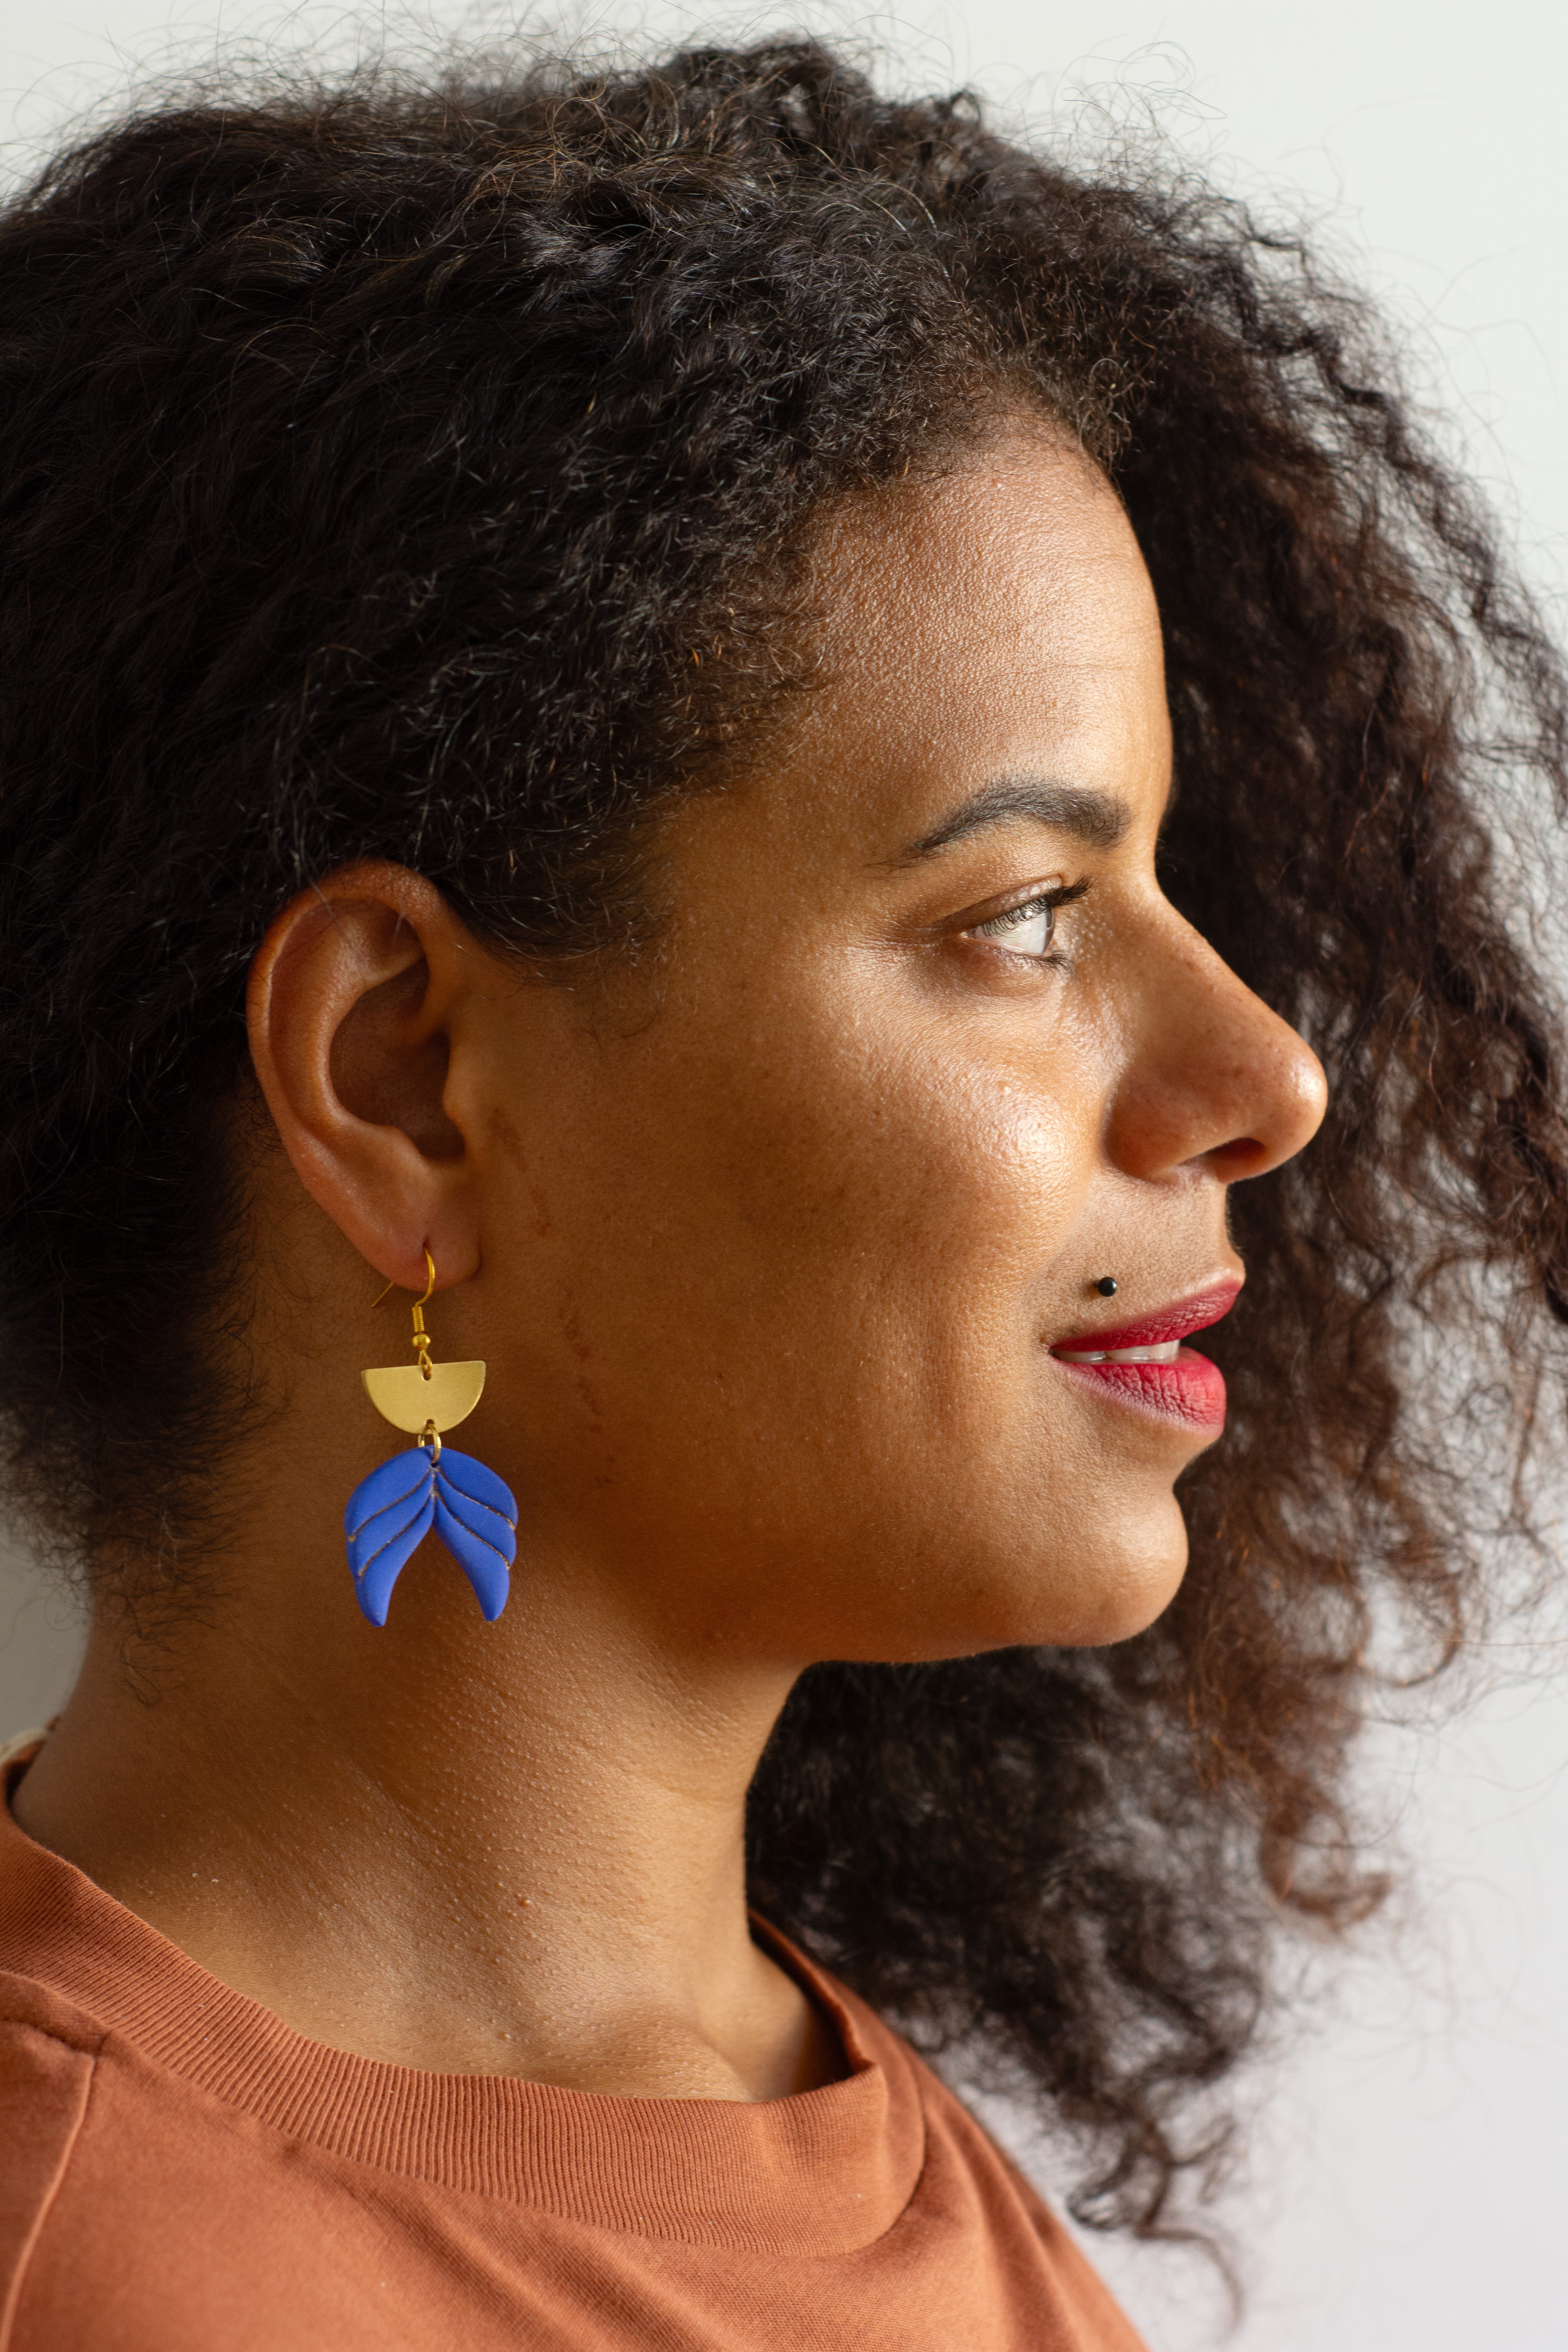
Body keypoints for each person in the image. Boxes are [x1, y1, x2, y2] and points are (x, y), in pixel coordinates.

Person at [0, 34, 1563, 2351]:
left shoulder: (874, 2166)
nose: (1269, 1081)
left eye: (1175, 883)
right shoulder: (89, 2265)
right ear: (404, 1079)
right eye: (1025, 913)